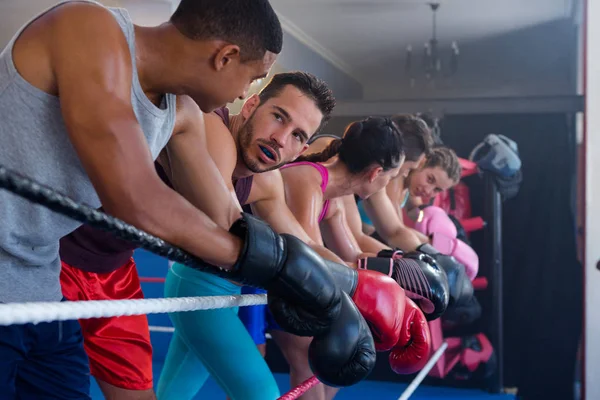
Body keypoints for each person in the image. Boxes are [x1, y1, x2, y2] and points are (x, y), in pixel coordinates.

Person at [0, 0, 367, 398]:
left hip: (40, 288)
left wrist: (345, 287)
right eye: (253, 79)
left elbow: (227, 218)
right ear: (225, 56)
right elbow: (136, 197)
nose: (245, 92)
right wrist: (280, 272)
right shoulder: (88, 27)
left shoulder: (184, 112)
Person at [155, 73, 410, 400]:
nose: (280, 139)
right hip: (197, 286)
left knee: (173, 393)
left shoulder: (268, 182)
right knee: (259, 392)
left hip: (218, 290)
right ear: (250, 106)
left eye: (297, 135)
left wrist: (364, 287)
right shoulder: (215, 133)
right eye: (278, 117)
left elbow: (304, 244)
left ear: (302, 148)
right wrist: (348, 290)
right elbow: (230, 222)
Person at [277, 117, 442, 399]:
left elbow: (352, 254)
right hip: (240, 279)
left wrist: (398, 270)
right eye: (391, 178)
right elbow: (311, 257)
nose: (389, 186)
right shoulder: (309, 179)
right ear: (376, 172)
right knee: (303, 362)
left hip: (266, 276)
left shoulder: (334, 194)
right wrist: (386, 281)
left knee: (329, 362)